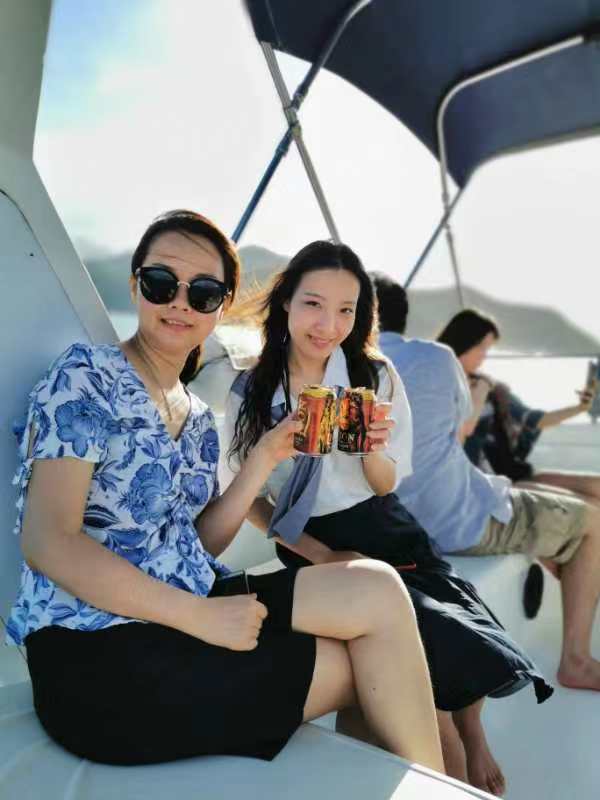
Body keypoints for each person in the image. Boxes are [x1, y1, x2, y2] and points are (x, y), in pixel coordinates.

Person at [5, 211, 444, 772]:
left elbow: (198, 546)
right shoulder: (86, 376)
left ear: (222, 304)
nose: (180, 303)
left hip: (184, 606)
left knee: (378, 587)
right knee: (359, 664)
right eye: (161, 283)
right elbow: (49, 541)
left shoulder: (195, 417)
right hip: (95, 657)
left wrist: (263, 459)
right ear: (136, 285)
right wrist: (197, 615)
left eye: (204, 292)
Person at [225, 245, 552, 797]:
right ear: (285, 303)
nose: (329, 325)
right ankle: (455, 752)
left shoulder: (373, 374)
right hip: (310, 539)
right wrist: (322, 555)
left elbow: (384, 484)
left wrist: (371, 450)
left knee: (455, 624)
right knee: (427, 677)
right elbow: (247, 498)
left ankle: (473, 733)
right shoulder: (252, 390)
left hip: (383, 526)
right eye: (313, 304)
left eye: (346, 310)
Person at [371, 272, 600, 699]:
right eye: (484, 348)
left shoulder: (339, 370)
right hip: (459, 521)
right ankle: (576, 660)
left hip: (402, 525)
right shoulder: (437, 360)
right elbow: (457, 436)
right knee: (593, 523)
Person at [437, 308, 599, 499]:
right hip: (479, 486)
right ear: (463, 342)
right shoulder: (435, 386)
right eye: (481, 347)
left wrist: (580, 408)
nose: (484, 356)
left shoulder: (493, 390)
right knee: (580, 504)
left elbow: (536, 420)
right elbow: (465, 428)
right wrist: (480, 390)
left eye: (487, 350)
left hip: (508, 473)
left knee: (595, 485)